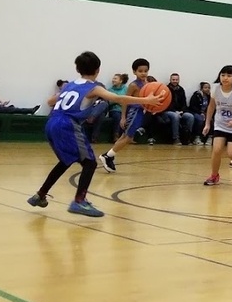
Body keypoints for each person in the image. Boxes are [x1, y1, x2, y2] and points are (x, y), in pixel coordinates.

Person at [26, 51, 163, 217]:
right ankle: (79, 201)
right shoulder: (94, 87)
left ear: (77, 69)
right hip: (68, 125)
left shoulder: (70, 85)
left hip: (52, 122)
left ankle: (39, 195)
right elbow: (116, 98)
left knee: (65, 161)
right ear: (98, 69)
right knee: (90, 163)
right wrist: (147, 101)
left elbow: (50, 101)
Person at [201, 65, 232, 185]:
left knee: (231, 154)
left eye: (229, 75)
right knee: (216, 150)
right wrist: (207, 123)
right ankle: (214, 176)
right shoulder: (215, 89)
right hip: (220, 124)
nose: (225, 78)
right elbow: (211, 106)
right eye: (223, 75)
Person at [97, 58, 151, 172]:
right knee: (128, 138)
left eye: (145, 71)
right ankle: (107, 156)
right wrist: (123, 117)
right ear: (134, 72)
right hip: (134, 112)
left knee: (124, 137)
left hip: (141, 112)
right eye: (140, 71)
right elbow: (125, 101)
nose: (143, 73)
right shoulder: (133, 85)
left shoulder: (148, 84)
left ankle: (109, 156)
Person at [158, 73, 195, 144]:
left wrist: (182, 111)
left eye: (176, 80)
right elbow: (165, 103)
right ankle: (176, 138)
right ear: (170, 80)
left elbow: (184, 102)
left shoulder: (181, 89)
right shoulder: (165, 89)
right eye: (173, 79)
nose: (175, 81)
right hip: (168, 111)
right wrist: (175, 111)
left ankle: (187, 138)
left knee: (190, 116)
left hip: (180, 111)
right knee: (175, 116)